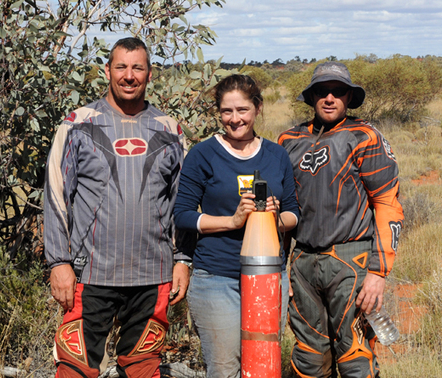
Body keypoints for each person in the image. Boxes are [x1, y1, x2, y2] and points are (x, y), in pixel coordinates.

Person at [43, 37, 191, 378]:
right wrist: (58, 262)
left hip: (153, 274)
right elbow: (55, 195)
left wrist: (182, 260)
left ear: (150, 74)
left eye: (137, 67)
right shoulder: (78, 124)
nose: (129, 76)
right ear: (107, 71)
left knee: (142, 368)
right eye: (121, 67)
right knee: (75, 368)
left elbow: (181, 203)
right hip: (88, 273)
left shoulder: (170, 130)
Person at [278, 62, 404, 378]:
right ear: (311, 97)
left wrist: (378, 272)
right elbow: (279, 213)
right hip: (303, 262)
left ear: (349, 97)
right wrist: (280, 269)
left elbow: (388, 205)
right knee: (308, 357)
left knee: (355, 356)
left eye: (338, 91)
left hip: (352, 261)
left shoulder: (365, 137)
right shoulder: (287, 141)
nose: (330, 98)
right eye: (322, 91)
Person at [174, 74, 299, 378]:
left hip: (269, 277)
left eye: (242, 110)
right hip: (217, 277)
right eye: (227, 111)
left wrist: (273, 215)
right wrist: (232, 221)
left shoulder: (276, 154)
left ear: (257, 108)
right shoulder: (203, 154)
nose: (235, 119)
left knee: (264, 365)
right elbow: (183, 215)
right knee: (225, 369)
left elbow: (294, 215)